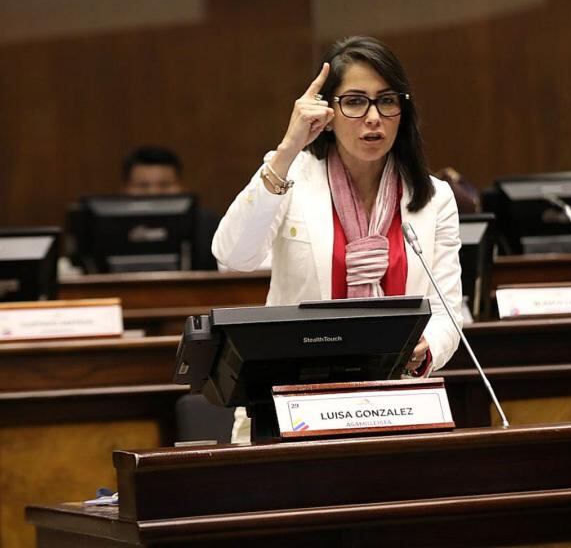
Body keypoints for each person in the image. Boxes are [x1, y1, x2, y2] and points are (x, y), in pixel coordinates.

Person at [211, 36, 463, 442]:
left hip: (394, 404)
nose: (373, 117)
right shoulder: (291, 176)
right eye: (355, 101)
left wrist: (424, 349)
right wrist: (288, 147)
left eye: (387, 100)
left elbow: (449, 310)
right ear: (328, 111)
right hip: (297, 406)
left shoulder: (432, 198)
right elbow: (232, 255)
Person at [122, 145, 220, 270]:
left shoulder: (208, 225)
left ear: (181, 186)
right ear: (125, 189)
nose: (154, 193)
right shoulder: (107, 227)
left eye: (165, 185)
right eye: (142, 186)